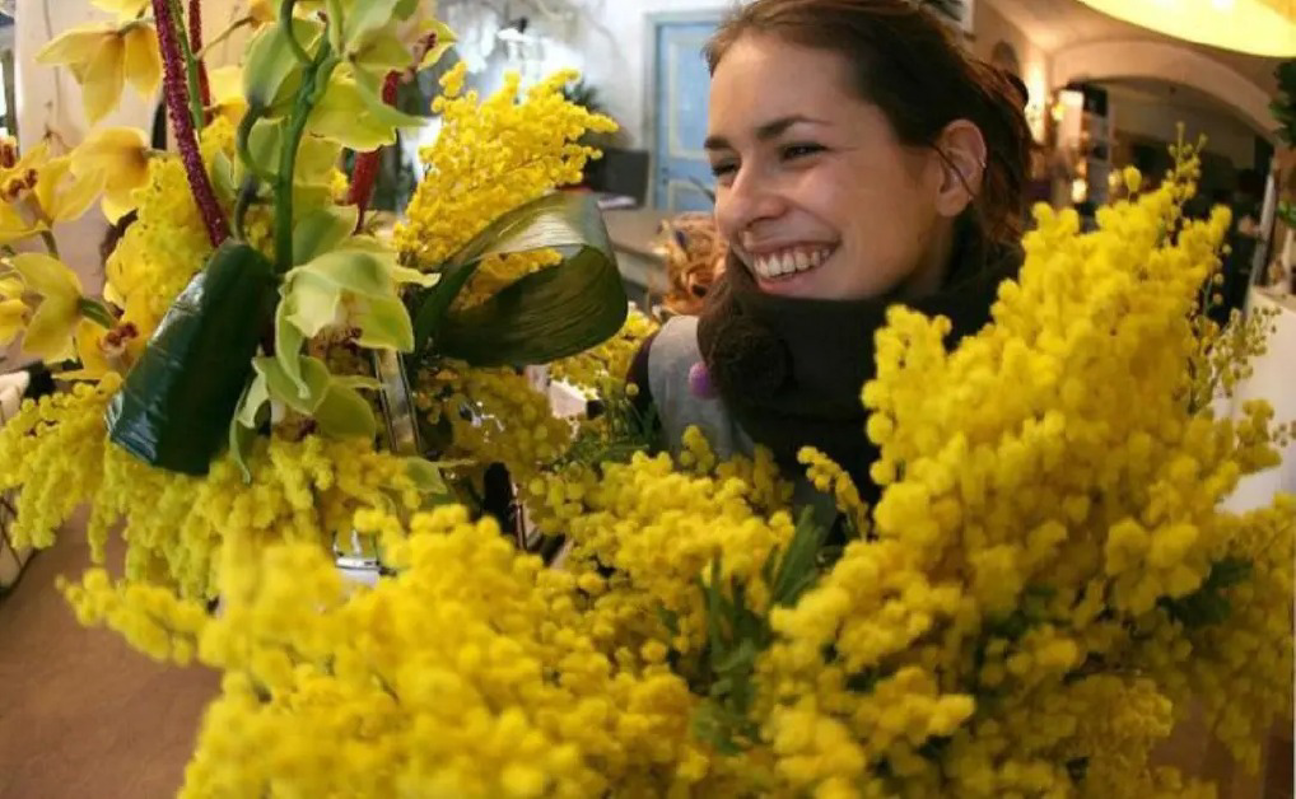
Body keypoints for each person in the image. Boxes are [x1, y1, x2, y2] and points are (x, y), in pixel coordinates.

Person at [628, 0, 1032, 511]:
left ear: (952, 169)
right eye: (726, 166)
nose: (740, 209)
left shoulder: (1071, 404)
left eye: (798, 150)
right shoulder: (669, 384)